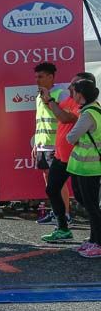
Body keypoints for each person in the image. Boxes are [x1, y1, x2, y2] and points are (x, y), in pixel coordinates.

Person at [42, 72, 94, 243]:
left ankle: (96, 235)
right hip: (61, 156)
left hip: (76, 158)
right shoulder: (69, 101)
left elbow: (65, 118)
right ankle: (62, 228)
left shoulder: (83, 106)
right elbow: (57, 112)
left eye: (74, 84)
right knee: (52, 189)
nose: (70, 87)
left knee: (84, 199)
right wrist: (47, 100)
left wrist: (50, 100)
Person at [64, 78, 101, 257]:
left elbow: (71, 137)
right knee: (88, 203)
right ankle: (94, 239)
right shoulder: (95, 109)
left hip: (89, 167)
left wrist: (73, 137)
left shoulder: (88, 114)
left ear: (81, 94)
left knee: (91, 206)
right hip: (84, 166)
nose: (72, 93)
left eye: (74, 91)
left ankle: (98, 242)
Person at [33, 62, 68, 225]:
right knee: (48, 179)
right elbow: (40, 121)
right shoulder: (38, 95)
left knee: (58, 182)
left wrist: (49, 100)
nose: (37, 80)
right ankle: (55, 211)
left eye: (40, 76)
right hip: (42, 144)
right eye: (36, 77)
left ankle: (65, 214)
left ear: (50, 77)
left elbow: (64, 117)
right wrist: (36, 143)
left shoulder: (60, 93)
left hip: (56, 145)